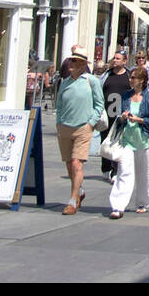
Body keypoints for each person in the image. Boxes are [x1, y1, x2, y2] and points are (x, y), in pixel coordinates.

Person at [55, 46, 104, 215]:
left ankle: (72, 201)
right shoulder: (65, 82)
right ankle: (80, 190)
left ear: (83, 64)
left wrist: (91, 123)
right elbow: (59, 103)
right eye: (71, 59)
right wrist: (58, 121)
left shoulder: (92, 81)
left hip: (83, 127)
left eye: (75, 60)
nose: (71, 62)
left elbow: (99, 104)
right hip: (65, 127)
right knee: (69, 164)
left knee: (76, 163)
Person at [106, 66, 149, 218]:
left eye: (134, 77)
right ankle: (118, 206)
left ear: (142, 80)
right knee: (124, 173)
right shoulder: (126, 95)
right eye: (131, 77)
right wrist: (123, 117)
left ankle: (142, 202)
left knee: (143, 174)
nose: (131, 80)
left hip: (144, 139)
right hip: (127, 140)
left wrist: (139, 120)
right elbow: (119, 116)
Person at [100, 52, 132, 179]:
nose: (115, 60)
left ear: (124, 61)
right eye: (114, 58)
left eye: (118, 58)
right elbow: (99, 91)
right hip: (107, 113)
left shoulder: (128, 75)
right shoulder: (106, 75)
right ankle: (105, 167)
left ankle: (115, 170)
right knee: (105, 140)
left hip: (121, 114)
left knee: (118, 142)